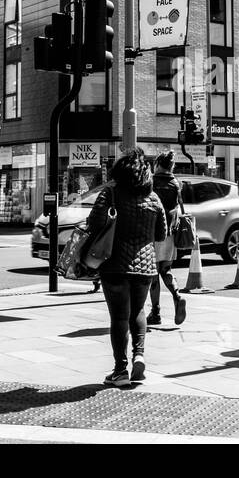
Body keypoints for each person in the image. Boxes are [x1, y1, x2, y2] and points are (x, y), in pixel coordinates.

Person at [88, 148, 165, 388]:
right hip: (145, 267)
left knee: (119, 317)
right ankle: (139, 355)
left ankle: (120, 370)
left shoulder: (110, 192)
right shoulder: (153, 198)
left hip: (114, 265)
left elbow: (94, 222)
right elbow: (161, 234)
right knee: (138, 311)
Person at [149, 151, 188, 327]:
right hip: (170, 234)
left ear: (157, 164)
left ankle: (156, 312)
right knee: (166, 269)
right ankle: (177, 295)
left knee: (153, 274)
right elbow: (180, 209)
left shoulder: (152, 182)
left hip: (153, 233)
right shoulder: (175, 183)